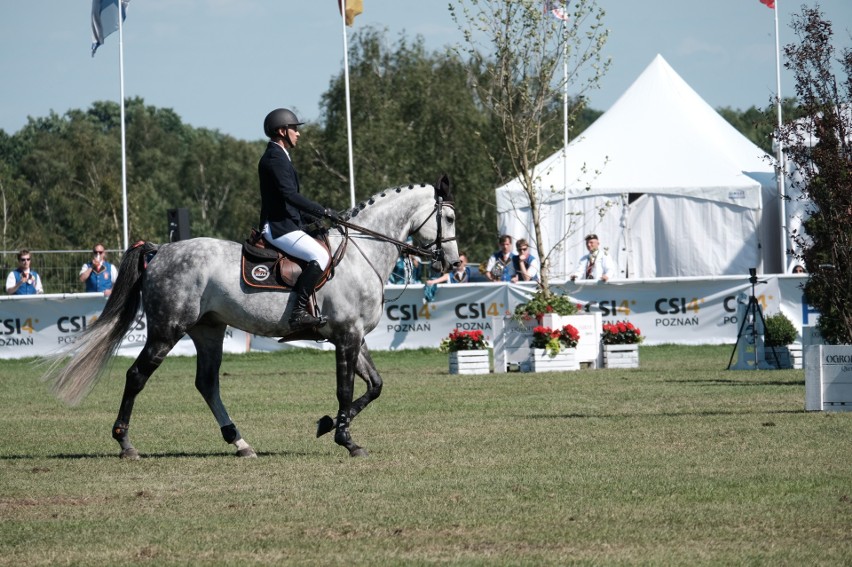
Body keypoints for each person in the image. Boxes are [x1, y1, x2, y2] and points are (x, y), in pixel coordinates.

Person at [258, 107, 341, 330]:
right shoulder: (274, 158)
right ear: (282, 131)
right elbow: (289, 196)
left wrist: (317, 220)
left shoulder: (281, 156)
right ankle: (298, 312)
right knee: (320, 255)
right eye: (294, 129)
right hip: (278, 227)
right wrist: (322, 211)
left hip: (288, 223)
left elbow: (288, 201)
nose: (298, 133)